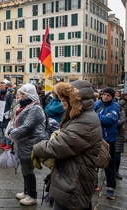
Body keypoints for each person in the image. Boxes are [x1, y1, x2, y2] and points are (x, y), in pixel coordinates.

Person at [32, 80, 102, 209]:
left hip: (75, 179)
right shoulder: (80, 116)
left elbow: (59, 146)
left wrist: (37, 148)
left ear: (77, 100)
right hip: (74, 175)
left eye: (66, 98)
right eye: (61, 97)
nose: (62, 101)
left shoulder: (84, 121)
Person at [8, 84, 48, 206]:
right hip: (24, 141)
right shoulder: (25, 106)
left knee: (28, 169)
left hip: (31, 142)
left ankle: (32, 195)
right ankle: (26, 192)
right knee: (25, 168)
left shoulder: (35, 108)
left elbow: (27, 126)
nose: (20, 96)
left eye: (23, 94)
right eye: (20, 94)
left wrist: (12, 133)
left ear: (30, 94)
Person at [94, 87, 121, 200]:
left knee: (109, 165)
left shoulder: (115, 106)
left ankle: (110, 189)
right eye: (104, 94)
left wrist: (95, 116)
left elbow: (110, 120)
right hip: (95, 138)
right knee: (93, 163)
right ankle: (93, 184)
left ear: (112, 97)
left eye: (108, 95)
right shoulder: (97, 104)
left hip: (108, 140)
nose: (105, 97)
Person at [0, 81, 13, 151]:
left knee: (6, 129)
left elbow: (11, 104)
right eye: (0, 86)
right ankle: (4, 142)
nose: (1, 87)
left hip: (6, 114)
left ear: (5, 86)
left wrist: (10, 113)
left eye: (2, 86)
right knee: (1, 129)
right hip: (0, 113)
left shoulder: (9, 94)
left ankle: (8, 143)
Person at [115, 105, 126, 180]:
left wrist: (109, 120)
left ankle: (116, 171)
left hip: (118, 134)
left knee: (117, 154)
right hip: (107, 133)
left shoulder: (121, 111)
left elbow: (121, 121)